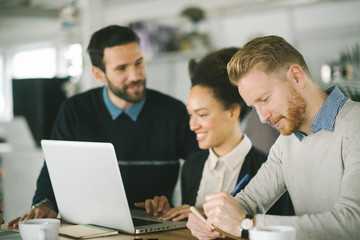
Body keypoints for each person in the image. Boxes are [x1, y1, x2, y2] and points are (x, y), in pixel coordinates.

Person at [8, 25, 199, 227]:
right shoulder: (74, 110)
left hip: (156, 224)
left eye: (139, 63)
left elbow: (202, 162)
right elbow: (54, 168)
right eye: (121, 68)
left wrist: (190, 204)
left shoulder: (174, 111)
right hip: (88, 226)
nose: (135, 76)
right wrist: (45, 203)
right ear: (99, 75)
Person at [186, 35, 360, 240]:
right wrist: (210, 219)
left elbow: (353, 222)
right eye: (254, 107)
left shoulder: (355, 125)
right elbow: (250, 199)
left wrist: (247, 225)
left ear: (296, 76)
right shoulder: (286, 143)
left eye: (265, 99)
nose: (262, 117)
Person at [134, 47, 294, 221]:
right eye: (190, 115)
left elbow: (277, 230)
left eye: (202, 115)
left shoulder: (267, 170)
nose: (192, 125)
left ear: (233, 111)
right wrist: (170, 212)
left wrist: (207, 216)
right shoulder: (192, 165)